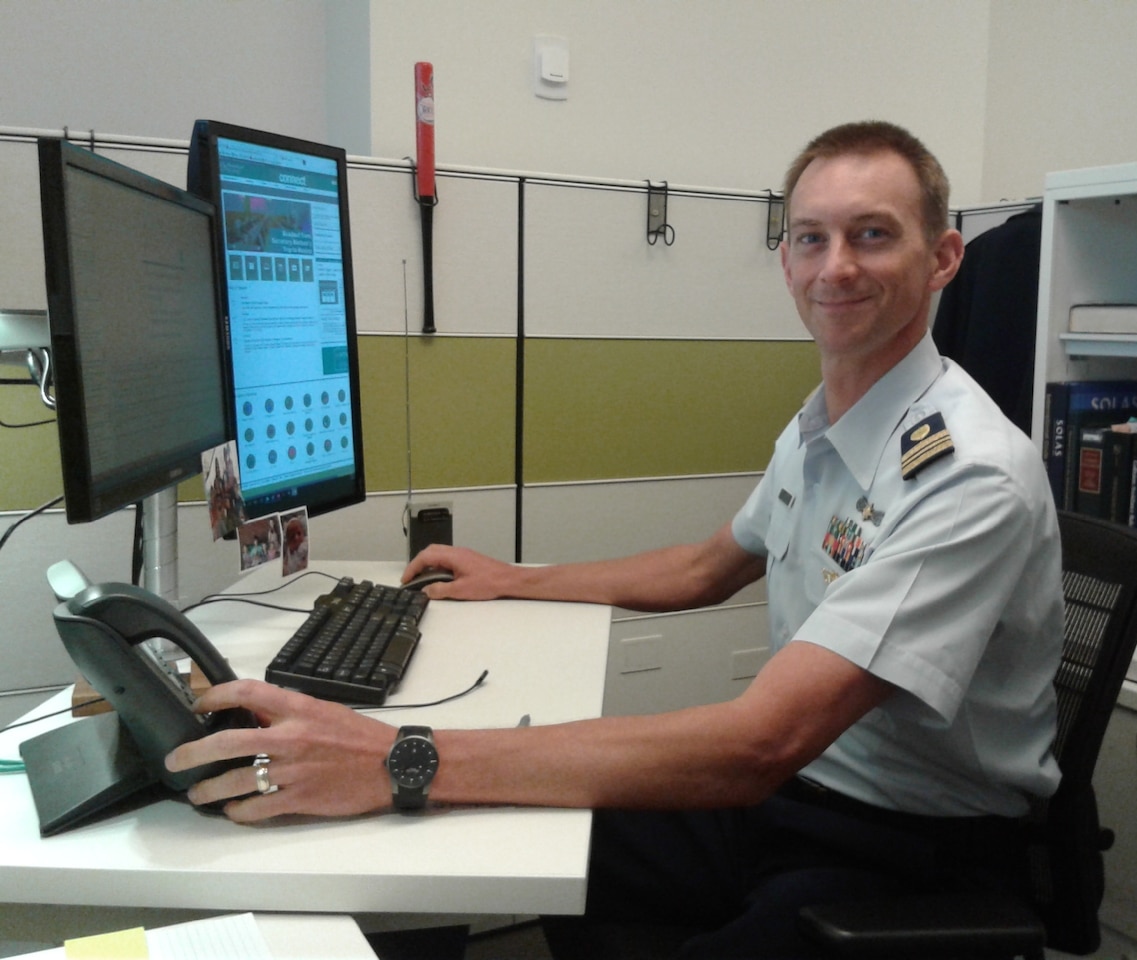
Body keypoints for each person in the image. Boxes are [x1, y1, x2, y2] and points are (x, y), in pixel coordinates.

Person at [167, 120, 1064, 959]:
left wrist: (395, 755)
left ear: (943, 257)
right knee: (533, 844)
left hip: (908, 849)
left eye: (873, 236)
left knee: (474, 791)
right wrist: (515, 579)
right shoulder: (828, 422)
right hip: (798, 797)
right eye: (810, 238)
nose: (836, 267)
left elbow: (760, 741)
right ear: (784, 257)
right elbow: (708, 566)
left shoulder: (964, 475)